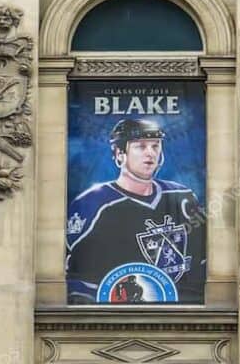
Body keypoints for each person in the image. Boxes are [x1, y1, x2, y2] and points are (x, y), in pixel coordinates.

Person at [66, 118, 206, 304]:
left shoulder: (182, 196)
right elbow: (73, 277)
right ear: (119, 153)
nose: (150, 153)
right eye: (141, 146)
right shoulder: (93, 204)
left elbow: (203, 259)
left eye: (155, 146)